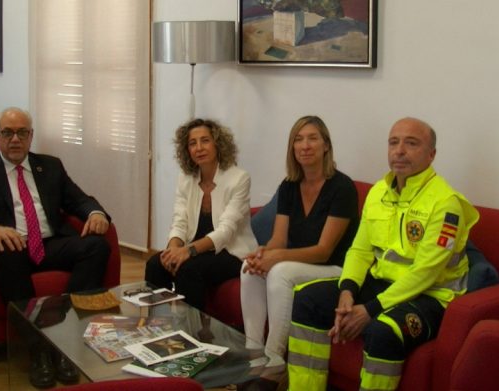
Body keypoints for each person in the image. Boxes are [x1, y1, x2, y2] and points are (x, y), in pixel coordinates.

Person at [287, 117, 479, 391]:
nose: (399, 150)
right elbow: (360, 250)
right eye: (393, 142)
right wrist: (347, 291)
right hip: (381, 284)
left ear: (431, 154)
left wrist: (370, 310)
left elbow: (425, 273)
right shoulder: (379, 192)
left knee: (383, 330)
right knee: (308, 299)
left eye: (411, 143)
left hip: (430, 297)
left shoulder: (446, 203)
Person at [0, 107, 112, 388]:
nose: (15, 139)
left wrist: (96, 213)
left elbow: (79, 200)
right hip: (13, 246)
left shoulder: (50, 166)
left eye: (22, 132)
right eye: (8, 132)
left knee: (96, 246)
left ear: (31, 136)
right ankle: (39, 350)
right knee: (9, 252)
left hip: (51, 243)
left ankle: (66, 337)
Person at [240, 115, 359, 368]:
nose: (305, 145)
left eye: (312, 138)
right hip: (299, 262)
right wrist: (263, 252)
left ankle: (274, 359)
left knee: (279, 272)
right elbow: (279, 239)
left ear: (326, 145)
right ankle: (253, 351)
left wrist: (277, 257)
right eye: (298, 139)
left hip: (336, 267)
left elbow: (324, 251)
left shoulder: (343, 187)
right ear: (292, 148)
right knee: (248, 268)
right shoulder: (289, 185)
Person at [145, 118, 257, 310]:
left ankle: (189, 333)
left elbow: (226, 231)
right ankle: (157, 327)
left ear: (217, 144)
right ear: (186, 150)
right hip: (197, 251)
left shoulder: (239, 178)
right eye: (192, 143)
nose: (199, 148)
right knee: (155, 264)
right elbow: (180, 221)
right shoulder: (186, 178)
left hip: (230, 253)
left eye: (205, 140)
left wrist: (188, 251)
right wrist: (172, 250)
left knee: (189, 269)